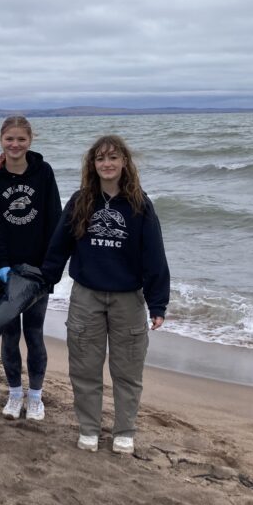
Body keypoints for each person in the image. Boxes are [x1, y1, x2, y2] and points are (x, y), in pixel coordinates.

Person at [42, 135, 169, 454]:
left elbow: (154, 255)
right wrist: (45, 281)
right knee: (84, 367)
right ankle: (89, 428)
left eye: (113, 158)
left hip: (128, 298)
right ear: (92, 165)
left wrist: (158, 302)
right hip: (87, 295)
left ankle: (124, 431)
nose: (107, 164)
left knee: (127, 370)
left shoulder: (140, 204)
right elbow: (59, 247)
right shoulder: (80, 200)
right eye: (101, 159)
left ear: (125, 162)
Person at [0, 115, 61, 422]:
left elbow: (55, 220)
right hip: (6, 271)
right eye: (9, 139)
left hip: (38, 270)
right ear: (1, 140)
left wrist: (51, 268)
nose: (15, 144)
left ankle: (35, 397)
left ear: (30, 141)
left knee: (35, 333)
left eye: (21, 139)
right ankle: (14, 394)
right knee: (10, 334)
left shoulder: (44, 172)